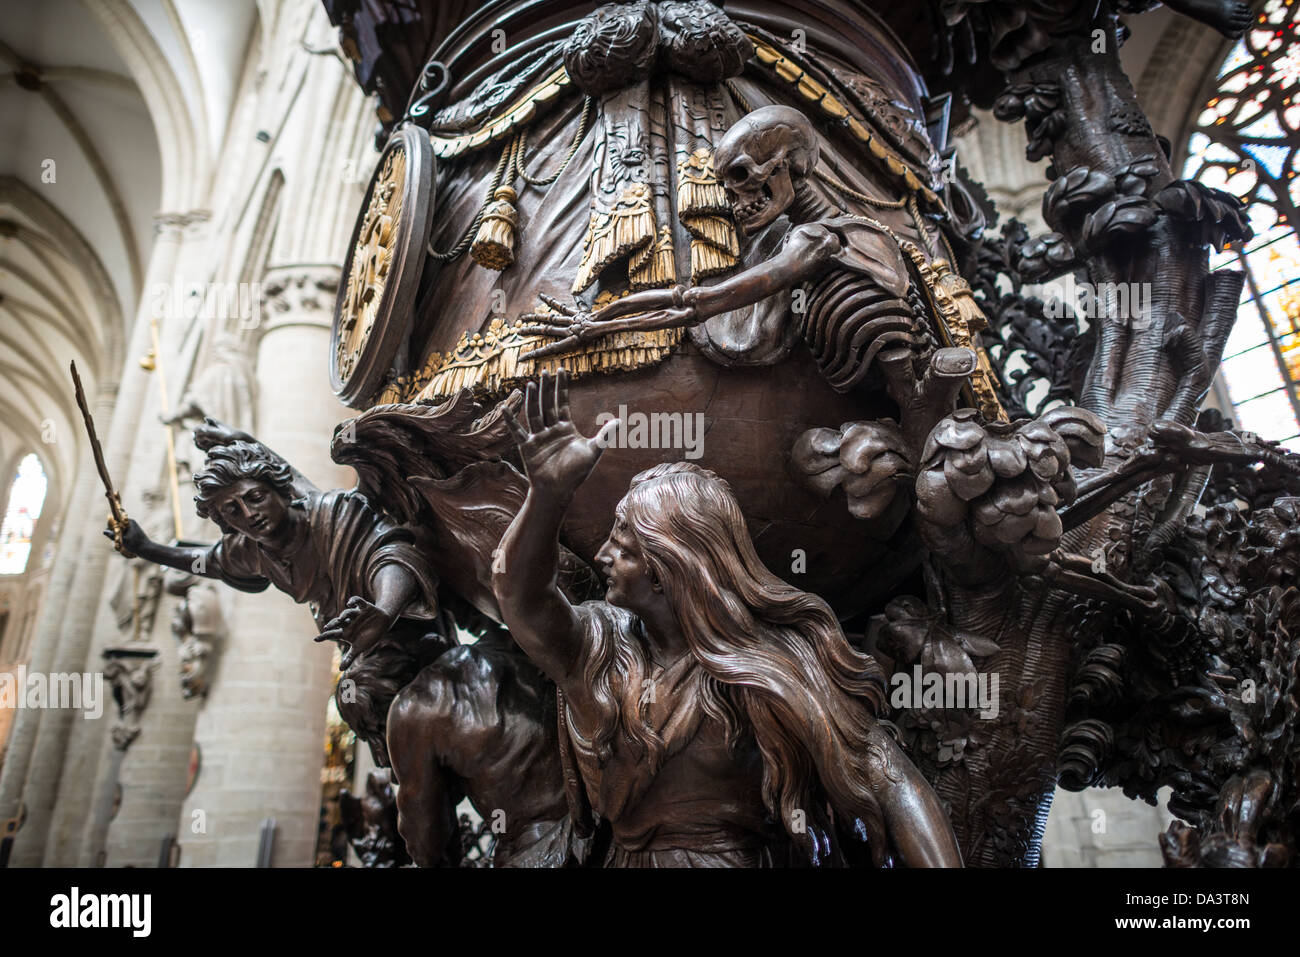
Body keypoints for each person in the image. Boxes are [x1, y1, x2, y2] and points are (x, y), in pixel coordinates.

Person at [492, 370, 963, 867]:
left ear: (668, 569)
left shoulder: (773, 664)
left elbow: (885, 775)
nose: (602, 555)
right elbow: (518, 594)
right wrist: (547, 496)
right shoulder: (598, 648)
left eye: (624, 547)